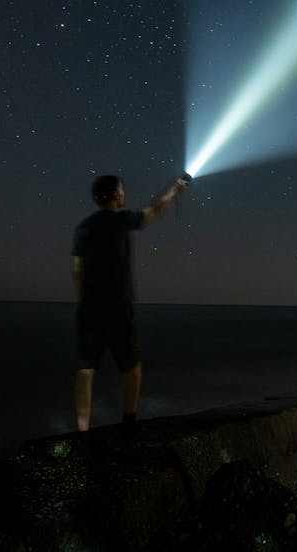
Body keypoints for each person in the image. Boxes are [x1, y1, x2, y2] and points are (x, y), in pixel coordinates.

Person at [71, 172, 188, 437]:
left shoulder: (83, 228)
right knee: (132, 367)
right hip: (118, 306)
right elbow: (155, 210)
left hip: (88, 308)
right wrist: (175, 190)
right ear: (114, 195)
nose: (124, 194)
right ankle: (129, 423)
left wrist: (85, 301)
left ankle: (82, 432)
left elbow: (76, 269)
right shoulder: (122, 219)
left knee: (85, 368)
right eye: (122, 190)